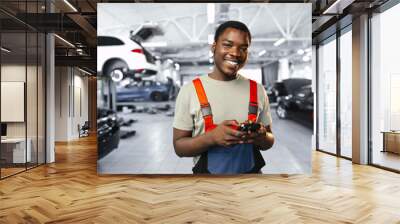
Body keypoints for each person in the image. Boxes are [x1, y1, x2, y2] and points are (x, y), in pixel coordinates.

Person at [172, 20, 274, 174]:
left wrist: (262, 137)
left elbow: (269, 140)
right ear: (213, 47)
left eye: (243, 48)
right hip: (207, 186)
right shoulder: (190, 91)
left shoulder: (258, 90)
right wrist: (211, 138)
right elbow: (179, 147)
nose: (235, 53)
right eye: (227, 45)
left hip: (251, 183)